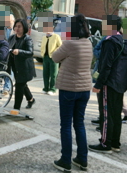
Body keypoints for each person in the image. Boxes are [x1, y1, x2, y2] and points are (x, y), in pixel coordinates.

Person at [51, 14, 94, 172]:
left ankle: (65, 161)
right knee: (79, 124)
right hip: (84, 89)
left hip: (69, 89)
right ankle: (82, 159)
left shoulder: (69, 43)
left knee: (66, 126)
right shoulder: (88, 43)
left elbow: (55, 57)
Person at [89, 15, 127, 153]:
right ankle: (115, 143)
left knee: (106, 114)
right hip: (120, 82)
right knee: (115, 114)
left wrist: (98, 84)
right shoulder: (123, 40)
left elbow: (106, 65)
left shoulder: (110, 41)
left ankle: (105, 143)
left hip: (109, 82)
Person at [7, 18, 37, 111]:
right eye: (16, 26)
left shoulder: (27, 39)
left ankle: (16, 109)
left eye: (19, 26)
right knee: (22, 84)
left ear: (24, 27)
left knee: (19, 86)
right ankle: (31, 99)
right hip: (15, 66)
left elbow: (30, 52)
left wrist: (19, 52)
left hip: (24, 67)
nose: (17, 28)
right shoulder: (12, 37)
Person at [39, 20, 62, 95]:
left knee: (53, 74)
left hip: (53, 57)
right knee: (45, 73)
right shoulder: (44, 37)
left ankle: (53, 89)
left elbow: (61, 46)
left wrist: (55, 52)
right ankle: (45, 88)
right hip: (45, 57)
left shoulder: (56, 36)